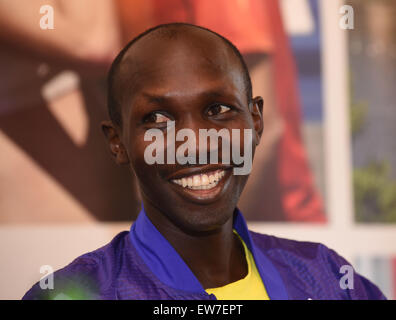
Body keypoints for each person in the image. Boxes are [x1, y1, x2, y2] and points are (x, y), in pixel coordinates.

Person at [23, 23, 385, 300]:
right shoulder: (76, 292)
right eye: (158, 119)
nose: (195, 143)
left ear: (255, 121)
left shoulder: (327, 277)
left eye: (218, 109)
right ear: (117, 143)